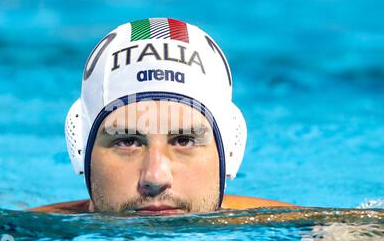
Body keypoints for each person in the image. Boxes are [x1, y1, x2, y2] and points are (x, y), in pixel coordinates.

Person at [30, 18, 295, 215]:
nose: (155, 178)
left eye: (184, 140)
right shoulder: (17, 238)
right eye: (127, 141)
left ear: (230, 150)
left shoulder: (315, 233)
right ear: (80, 150)